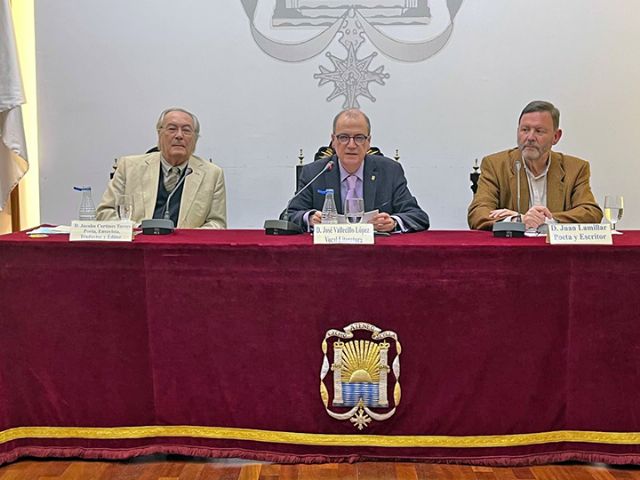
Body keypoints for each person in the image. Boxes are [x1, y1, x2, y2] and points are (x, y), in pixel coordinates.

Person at [286, 109, 429, 233]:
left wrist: (393, 222)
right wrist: (310, 218)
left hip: (377, 255)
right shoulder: (314, 172)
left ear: (369, 142)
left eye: (359, 138)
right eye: (343, 137)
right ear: (333, 140)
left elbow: (418, 216)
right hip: (327, 255)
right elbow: (288, 215)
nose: (351, 145)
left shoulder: (390, 171)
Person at [468, 101, 602, 231]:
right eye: (525, 130)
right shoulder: (495, 165)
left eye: (539, 131)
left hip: (557, 251)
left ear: (556, 136)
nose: (530, 137)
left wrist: (546, 220)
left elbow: (591, 212)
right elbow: (478, 213)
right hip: (511, 250)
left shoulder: (575, 168)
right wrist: (518, 220)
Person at [97, 107, 226, 229]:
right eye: (172, 129)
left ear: (195, 139)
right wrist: (138, 229)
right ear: (159, 134)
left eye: (186, 130)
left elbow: (217, 224)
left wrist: (186, 238)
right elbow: (105, 213)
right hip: (138, 246)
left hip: (185, 250)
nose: (179, 135)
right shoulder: (129, 167)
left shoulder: (212, 174)